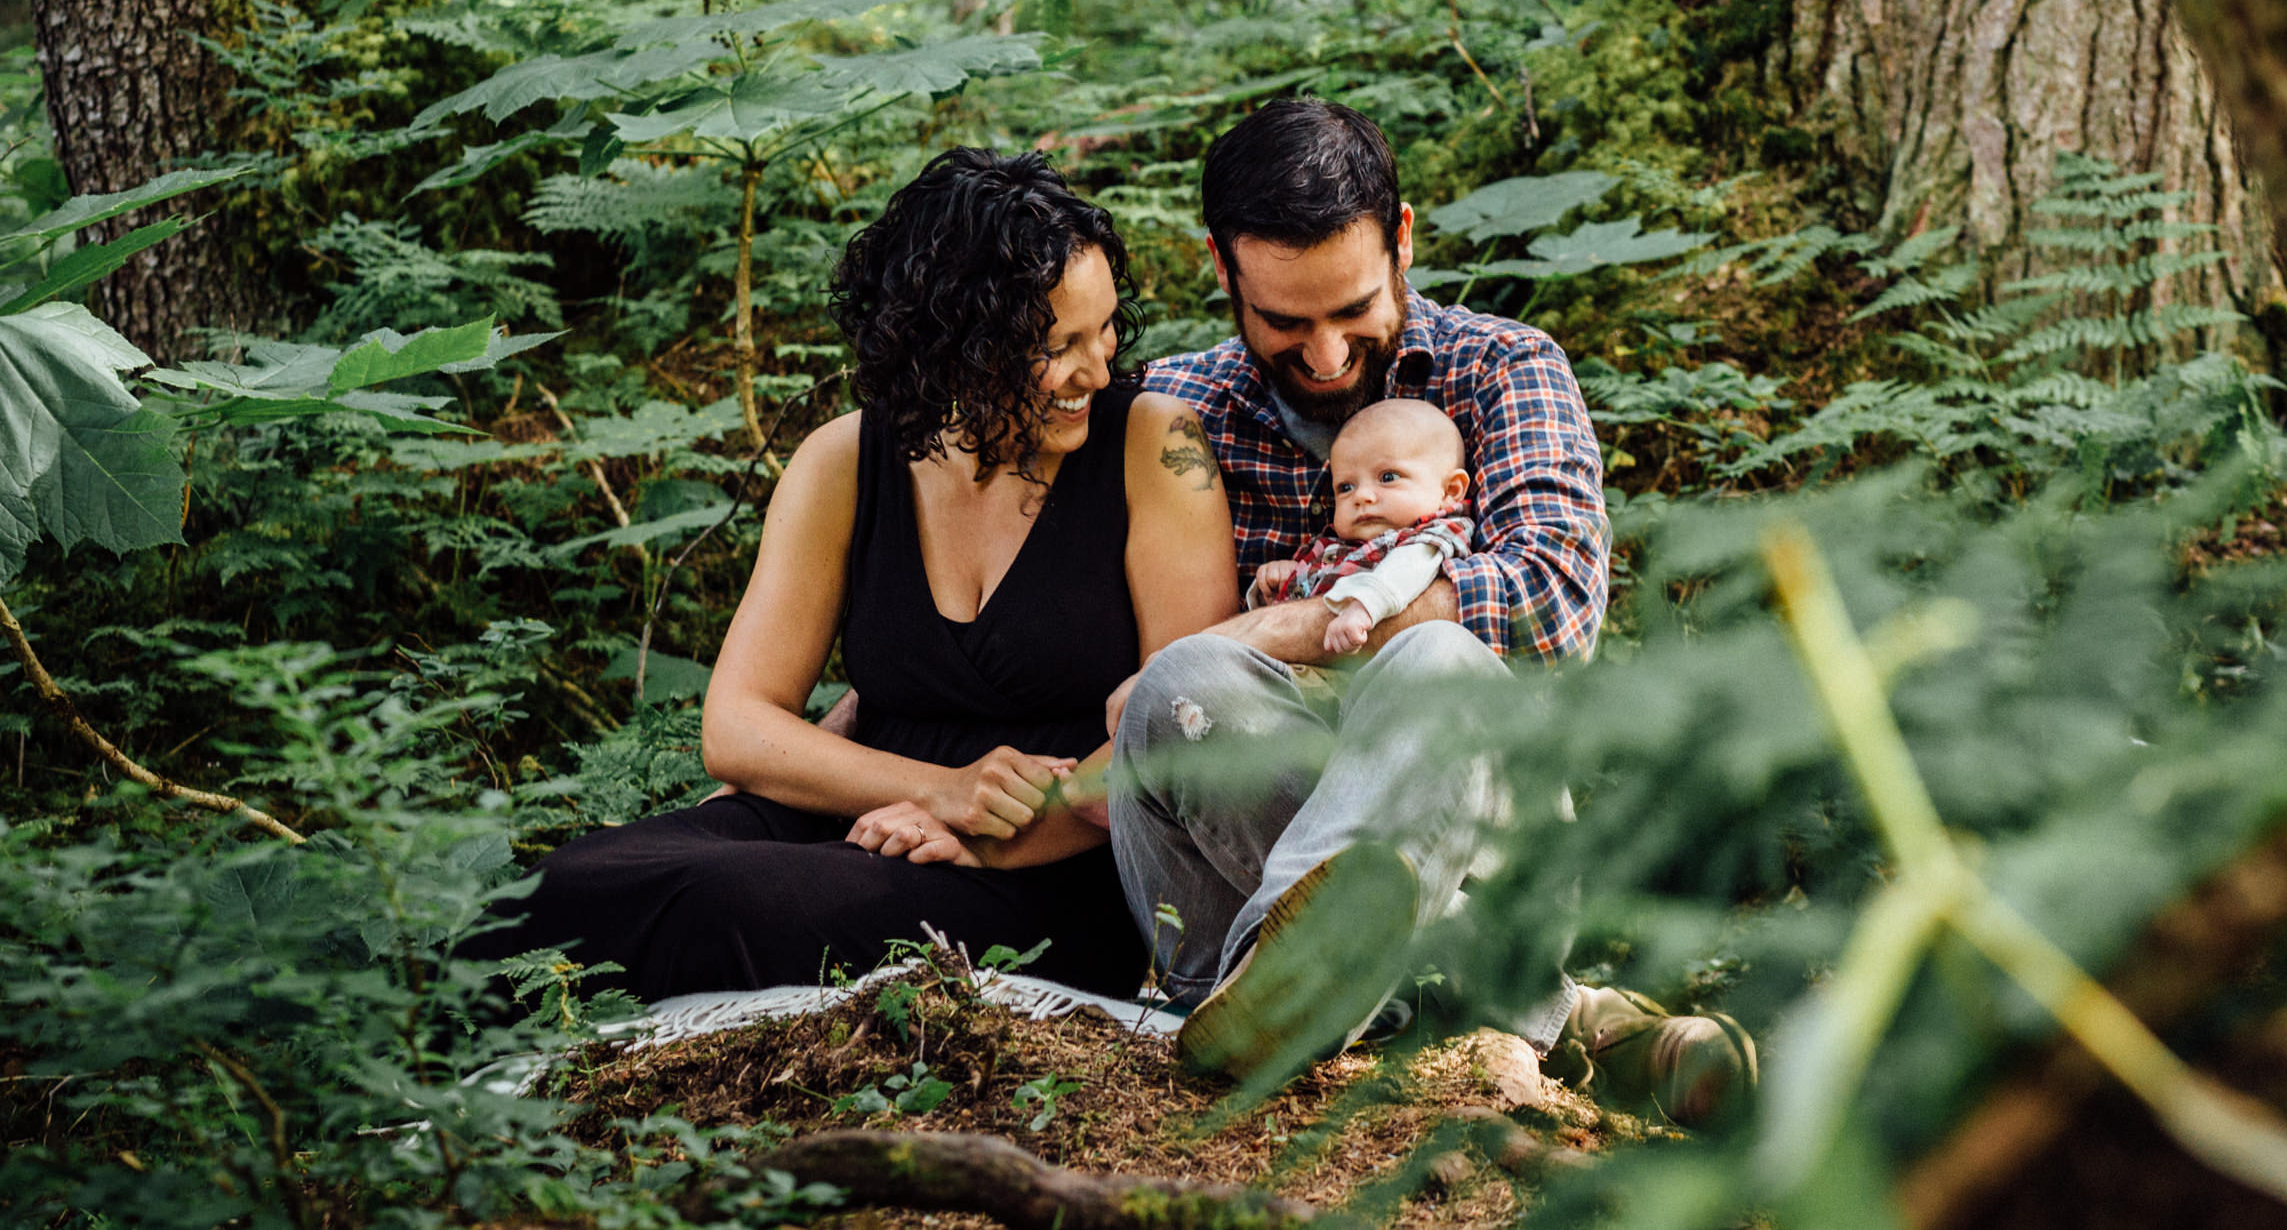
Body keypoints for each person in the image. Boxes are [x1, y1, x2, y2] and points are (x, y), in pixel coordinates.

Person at [470, 149, 1239, 1001]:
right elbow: (737, 726)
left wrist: (984, 832)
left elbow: (1183, 734)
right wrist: (939, 790)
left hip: (1048, 862)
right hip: (867, 803)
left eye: (1104, 332)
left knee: (733, 905)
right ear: (958, 347)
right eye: (1058, 346)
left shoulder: (1157, 448)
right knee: (554, 891)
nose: (1096, 371)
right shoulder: (844, 460)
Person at [1112, 98, 1753, 1120]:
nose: (1324, 355)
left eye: (1351, 308)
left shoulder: (1502, 369)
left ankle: (1300, 991)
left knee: (1439, 662)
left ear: (1402, 237)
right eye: (1284, 320)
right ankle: (1544, 1017)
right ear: (1221, 268)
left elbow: (1549, 606)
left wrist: (1287, 626)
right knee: (1180, 682)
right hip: (1235, 841)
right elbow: (1058, 625)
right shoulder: (1173, 408)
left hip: (1480, 814)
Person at [1246, 398, 1473, 658]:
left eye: (1388, 477)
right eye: (1346, 487)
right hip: (1298, 665)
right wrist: (1287, 580)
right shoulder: (1336, 544)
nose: (1361, 496)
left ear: (1450, 490)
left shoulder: (1432, 536)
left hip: (1367, 667)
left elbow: (1408, 570)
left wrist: (1363, 609)